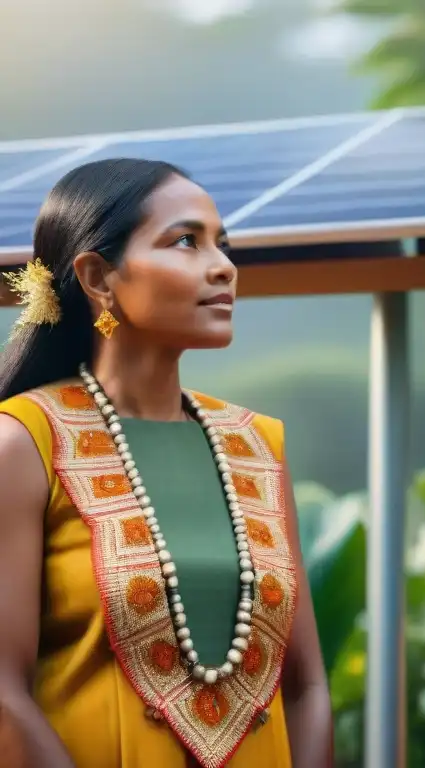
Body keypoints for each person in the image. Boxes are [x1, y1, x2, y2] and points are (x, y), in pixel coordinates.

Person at [0, 159, 332, 768]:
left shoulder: (259, 445)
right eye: (186, 241)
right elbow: (2, 694)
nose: (224, 266)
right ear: (99, 277)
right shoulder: (23, 442)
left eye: (222, 244)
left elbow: (307, 687)